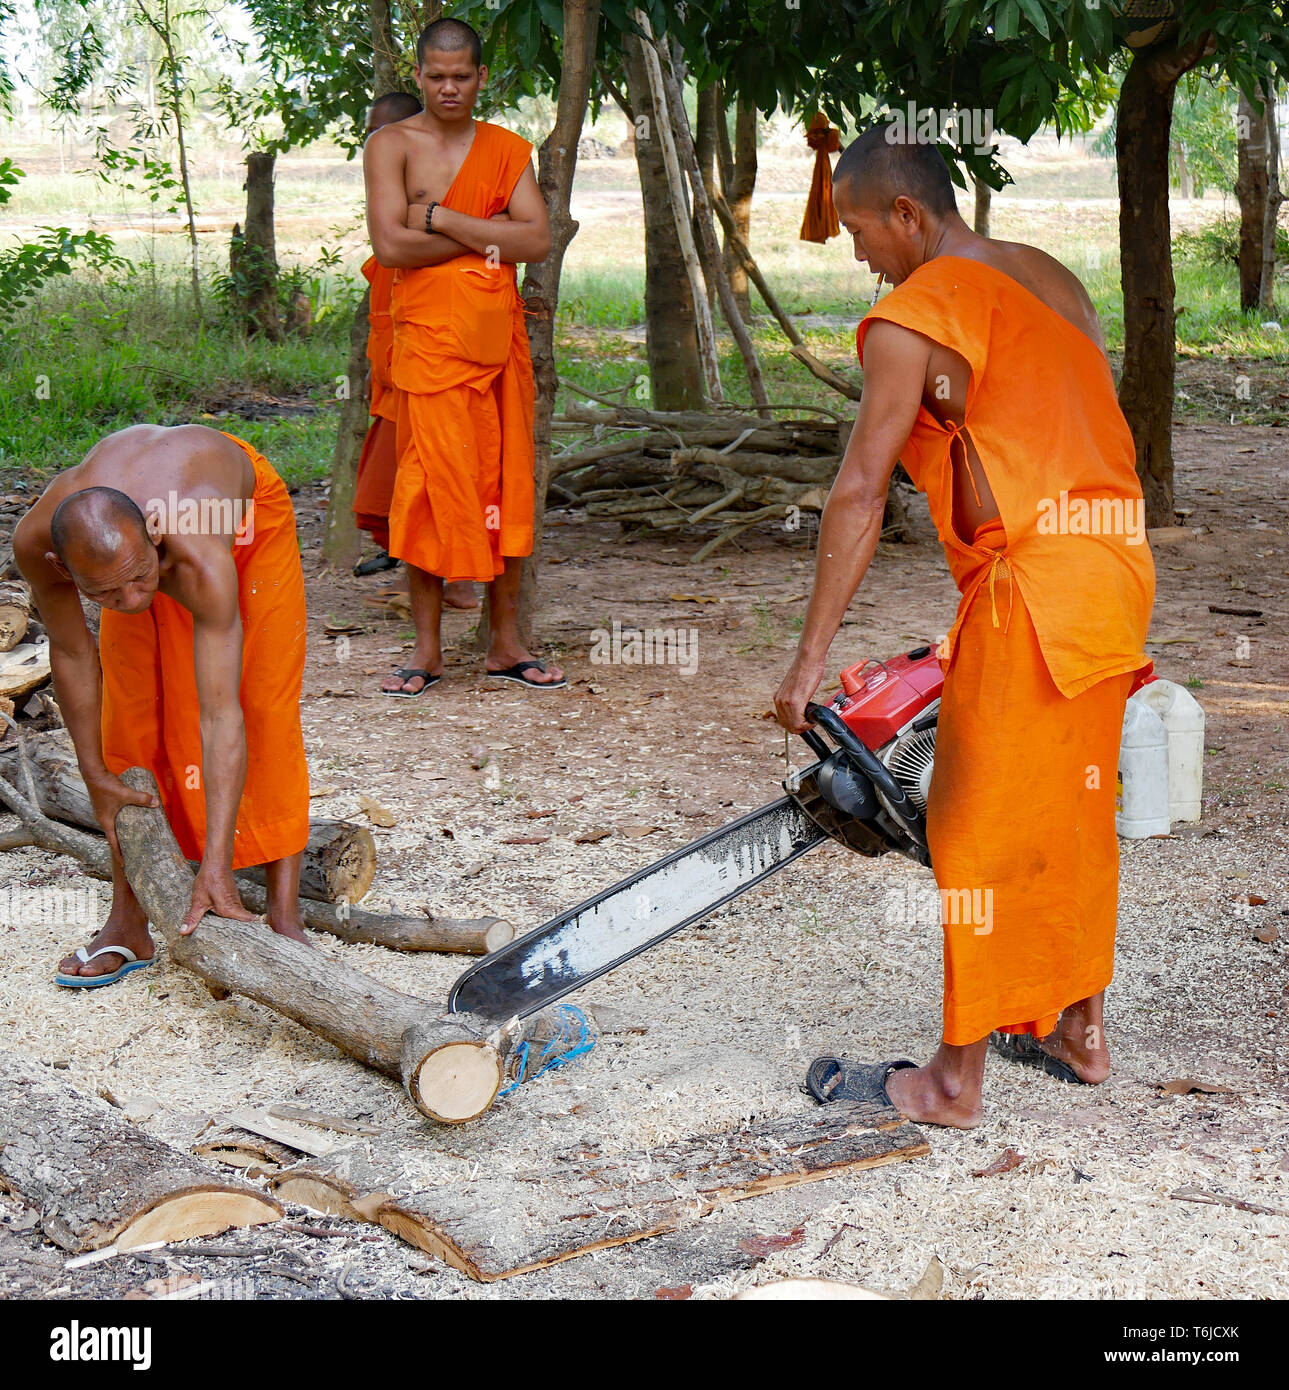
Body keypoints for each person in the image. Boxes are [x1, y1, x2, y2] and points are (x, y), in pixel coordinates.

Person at [774, 124, 1156, 1127]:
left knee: (971, 824)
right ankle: (1076, 1027)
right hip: (1110, 566)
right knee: (1072, 811)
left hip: (1030, 582)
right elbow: (1070, 421)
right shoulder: (1051, 279)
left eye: (860, 231)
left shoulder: (917, 312)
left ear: (906, 213)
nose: (858, 256)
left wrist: (805, 663)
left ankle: (951, 1079)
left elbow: (857, 493)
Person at [14, 424, 312, 986]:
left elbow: (220, 712)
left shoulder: (198, 552)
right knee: (132, 714)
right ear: (61, 567)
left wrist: (216, 867)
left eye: (139, 581)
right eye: (103, 595)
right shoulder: (38, 545)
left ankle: (284, 913)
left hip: (237, 518)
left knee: (261, 698)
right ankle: (129, 919)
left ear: (153, 535)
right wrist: (95, 773)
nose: (129, 603)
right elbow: (74, 656)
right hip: (131, 537)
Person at [363, 16, 564, 696]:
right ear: (418, 77)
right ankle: (425, 650)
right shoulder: (391, 145)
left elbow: (536, 240)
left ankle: (505, 643)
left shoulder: (506, 148)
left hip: (495, 346)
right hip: (427, 350)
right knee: (424, 493)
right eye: (436, 76)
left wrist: (443, 218)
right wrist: (491, 233)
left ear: (480, 78)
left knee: (501, 489)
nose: (449, 88)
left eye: (461, 76)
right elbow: (391, 248)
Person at [353, 90, 479, 613]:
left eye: (384, 131)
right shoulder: (391, 193)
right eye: (370, 132)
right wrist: (374, 371)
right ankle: (423, 574)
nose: (374, 141)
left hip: (436, 363)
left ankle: (461, 583)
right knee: (400, 486)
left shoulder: (440, 199)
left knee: (441, 479)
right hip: (394, 372)